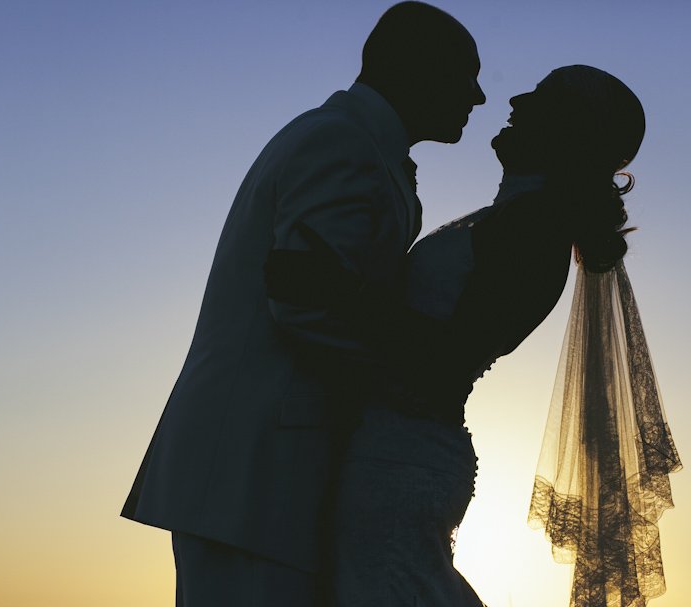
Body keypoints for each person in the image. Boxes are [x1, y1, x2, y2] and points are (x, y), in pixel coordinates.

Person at [267, 65, 680, 607]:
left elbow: (442, 362)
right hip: (392, 448)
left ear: (566, 132)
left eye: (540, 97)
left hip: (401, 459)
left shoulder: (534, 231)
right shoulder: (515, 218)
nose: (515, 100)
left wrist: (336, 290)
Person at [120, 2, 485, 605]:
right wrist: (416, 383)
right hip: (255, 469)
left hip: (275, 473)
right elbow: (307, 304)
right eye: (464, 75)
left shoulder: (360, 143)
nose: (477, 96)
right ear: (416, 68)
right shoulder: (340, 142)